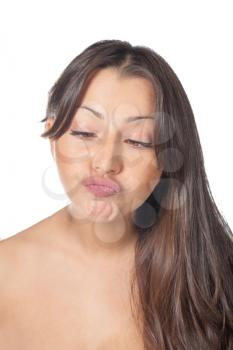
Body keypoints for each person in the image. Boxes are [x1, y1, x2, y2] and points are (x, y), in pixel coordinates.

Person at [0, 39, 232, 350]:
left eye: (137, 141)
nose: (106, 163)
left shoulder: (214, 276)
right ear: (54, 137)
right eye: (84, 132)